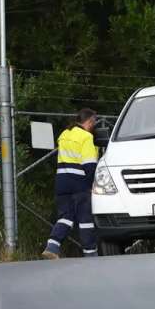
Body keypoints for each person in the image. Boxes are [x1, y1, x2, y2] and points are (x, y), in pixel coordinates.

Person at [42, 108, 99, 259]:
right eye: (94, 123)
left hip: (61, 181)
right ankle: (90, 253)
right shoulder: (86, 137)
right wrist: (92, 184)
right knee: (85, 220)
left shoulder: (64, 134)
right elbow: (89, 165)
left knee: (65, 217)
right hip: (79, 183)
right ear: (90, 122)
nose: (95, 127)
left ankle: (52, 246)